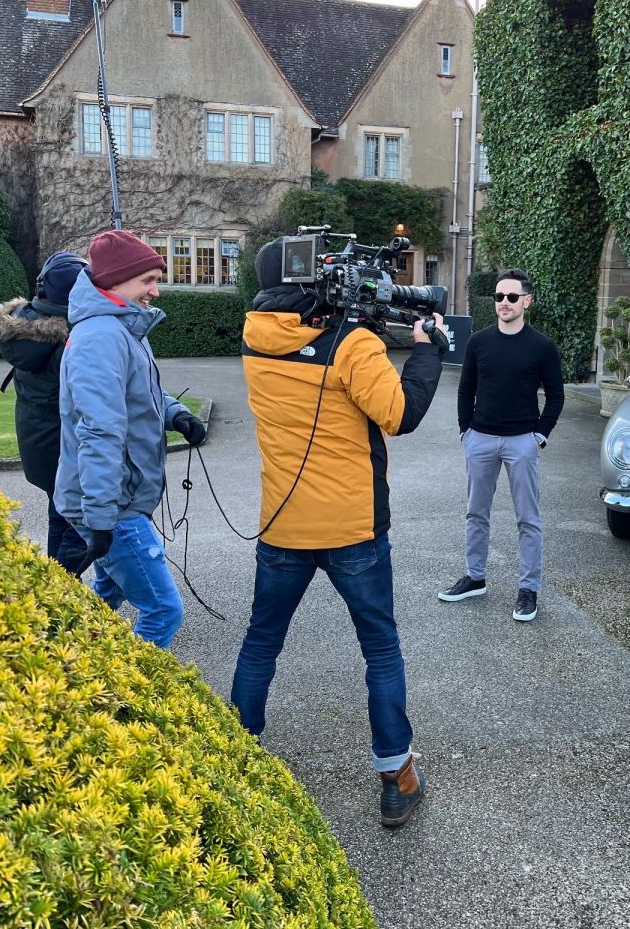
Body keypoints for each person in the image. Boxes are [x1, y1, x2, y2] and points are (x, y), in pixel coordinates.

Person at [231, 238, 444, 828]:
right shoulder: (351, 344)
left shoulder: (254, 338)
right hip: (353, 528)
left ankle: (236, 761)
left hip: (283, 523)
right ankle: (397, 777)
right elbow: (400, 415)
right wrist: (426, 352)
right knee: (380, 649)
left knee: (261, 642)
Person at [54, 230, 206, 649]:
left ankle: (69, 663)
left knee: (107, 596)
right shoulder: (101, 336)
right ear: (115, 282)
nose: (155, 290)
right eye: (147, 280)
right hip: (112, 505)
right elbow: (99, 431)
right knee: (163, 610)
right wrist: (101, 518)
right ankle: (117, 689)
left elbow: (142, 392)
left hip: (116, 499)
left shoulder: (123, 327)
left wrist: (176, 414)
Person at [439, 268, 564, 621]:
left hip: (522, 442)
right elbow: (466, 389)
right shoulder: (479, 342)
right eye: (499, 296)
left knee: (528, 518)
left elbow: (556, 395)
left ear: (527, 301)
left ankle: (528, 589)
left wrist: (539, 435)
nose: (504, 303)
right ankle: (475, 578)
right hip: (480, 439)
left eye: (511, 296)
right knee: (476, 513)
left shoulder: (542, 346)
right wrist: (466, 432)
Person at [0, 251, 88, 576]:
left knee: (61, 518)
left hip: (39, 445)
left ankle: (57, 584)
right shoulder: (68, 341)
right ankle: (61, 590)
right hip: (63, 449)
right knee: (78, 531)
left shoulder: (28, 330)